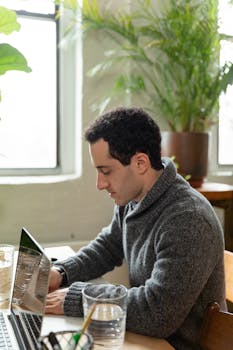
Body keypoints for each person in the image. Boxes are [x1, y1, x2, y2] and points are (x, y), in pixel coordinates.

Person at [46, 106, 226, 350]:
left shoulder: (188, 219)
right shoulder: (132, 198)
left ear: (140, 163)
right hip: (146, 339)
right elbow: (108, 247)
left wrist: (78, 298)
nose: (100, 184)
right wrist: (61, 272)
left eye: (106, 171)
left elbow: (156, 312)